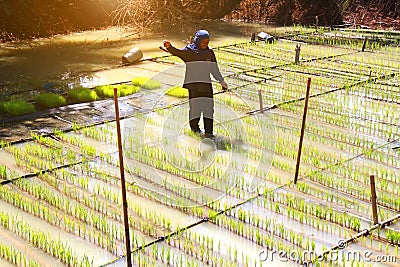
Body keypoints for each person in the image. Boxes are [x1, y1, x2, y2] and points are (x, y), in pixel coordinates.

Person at [163, 30, 228, 138]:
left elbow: (214, 69)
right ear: (197, 40)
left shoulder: (209, 52)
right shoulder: (189, 51)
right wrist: (170, 47)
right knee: (195, 110)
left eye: (207, 41)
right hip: (194, 86)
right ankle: (195, 130)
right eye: (203, 41)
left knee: (209, 109)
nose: (205, 43)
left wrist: (221, 81)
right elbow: (178, 52)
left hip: (206, 85)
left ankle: (209, 133)